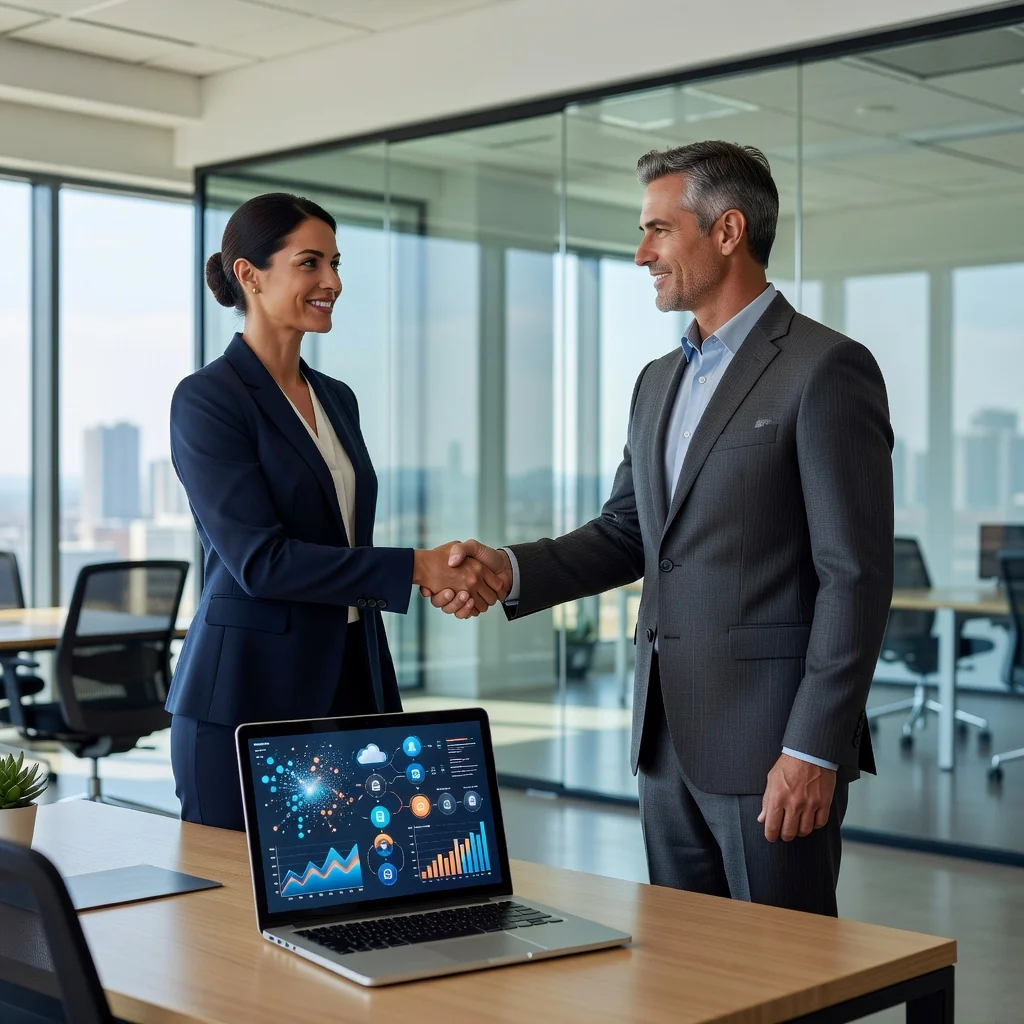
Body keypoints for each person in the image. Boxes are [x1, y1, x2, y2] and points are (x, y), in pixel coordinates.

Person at [428, 143, 894, 916]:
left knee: (785, 968)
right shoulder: (657, 381)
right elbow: (628, 533)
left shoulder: (825, 369)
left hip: (772, 746)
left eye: (658, 230)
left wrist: (813, 746)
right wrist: (507, 570)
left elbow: (855, 576)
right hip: (665, 744)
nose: (642, 253)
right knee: (685, 967)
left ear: (727, 231)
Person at [169, 192, 506, 831]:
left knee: (362, 878)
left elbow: (342, 539)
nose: (333, 282)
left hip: (353, 676)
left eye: (335, 263)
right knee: (231, 892)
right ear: (249, 275)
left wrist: (432, 571)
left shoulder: (336, 398)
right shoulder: (208, 399)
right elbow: (261, 563)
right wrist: (417, 567)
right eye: (310, 263)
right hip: (247, 694)